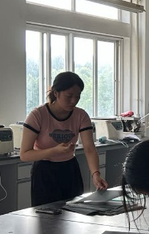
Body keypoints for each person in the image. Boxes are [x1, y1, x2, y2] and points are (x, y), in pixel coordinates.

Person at [20, 71, 108, 206]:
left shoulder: (81, 115)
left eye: (77, 96)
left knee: (75, 211)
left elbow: (89, 148)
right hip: (44, 171)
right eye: (69, 96)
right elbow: (25, 154)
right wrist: (54, 151)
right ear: (56, 93)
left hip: (70, 169)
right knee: (46, 214)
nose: (74, 101)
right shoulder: (38, 115)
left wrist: (96, 174)